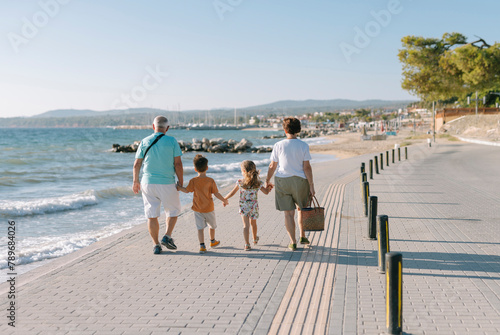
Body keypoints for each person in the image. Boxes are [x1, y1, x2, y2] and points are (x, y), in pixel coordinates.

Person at [133, 116, 183, 255]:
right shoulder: (172, 141)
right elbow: (178, 164)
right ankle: (167, 236)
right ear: (167, 128)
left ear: (153, 126)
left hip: (147, 183)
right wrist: (181, 181)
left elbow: (137, 164)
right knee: (173, 210)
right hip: (167, 182)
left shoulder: (144, 141)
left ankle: (156, 245)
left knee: (152, 215)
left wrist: (135, 181)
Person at [265, 117, 315, 251]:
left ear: (285, 129)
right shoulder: (303, 145)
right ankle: (303, 236)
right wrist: (311, 185)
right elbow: (307, 168)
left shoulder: (278, 145)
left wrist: (267, 180)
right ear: (298, 130)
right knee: (302, 210)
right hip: (300, 181)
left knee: (288, 214)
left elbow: (272, 165)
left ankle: (292, 242)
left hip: (282, 181)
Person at [177, 154, 228, 254]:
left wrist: (179, 188)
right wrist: (224, 200)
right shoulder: (210, 181)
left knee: (200, 228)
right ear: (207, 168)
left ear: (195, 169)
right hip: (209, 208)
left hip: (197, 209)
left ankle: (202, 246)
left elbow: (187, 191)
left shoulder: (193, 181)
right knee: (212, 226)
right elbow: (216, 193)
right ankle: (212, 241)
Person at [224, 160, 273, 251]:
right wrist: (269, 187)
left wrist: (225, 199)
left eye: (241, 170)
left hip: (243, 207)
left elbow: (232, 193)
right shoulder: (257, 183)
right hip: (253, 207)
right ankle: (254, 239)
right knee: (253, 224)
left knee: (245, 225)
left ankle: (247, 244)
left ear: (244, 172)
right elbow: (266, 192)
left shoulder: (240, 182)